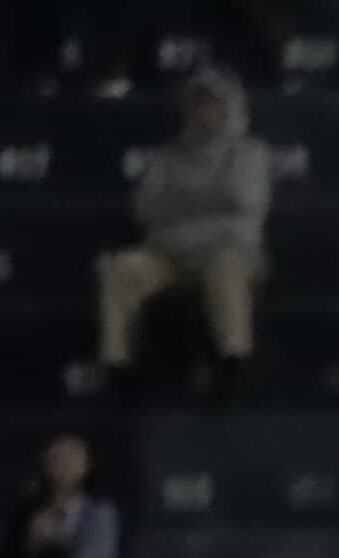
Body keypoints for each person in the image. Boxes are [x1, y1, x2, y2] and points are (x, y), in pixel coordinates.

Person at [95, 69, 269, 397]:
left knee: (226, 267)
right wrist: (210, 204)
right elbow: (146, 210)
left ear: (229, 107)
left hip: (229, 253)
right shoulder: (168, 157)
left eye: (213, 103)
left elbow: (242, 205)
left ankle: (232, 362)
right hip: (169, 256)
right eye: (198, 104)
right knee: (119, 269)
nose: (205, 111)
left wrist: (182, 206)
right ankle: (117, 366)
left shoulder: (249, 154)